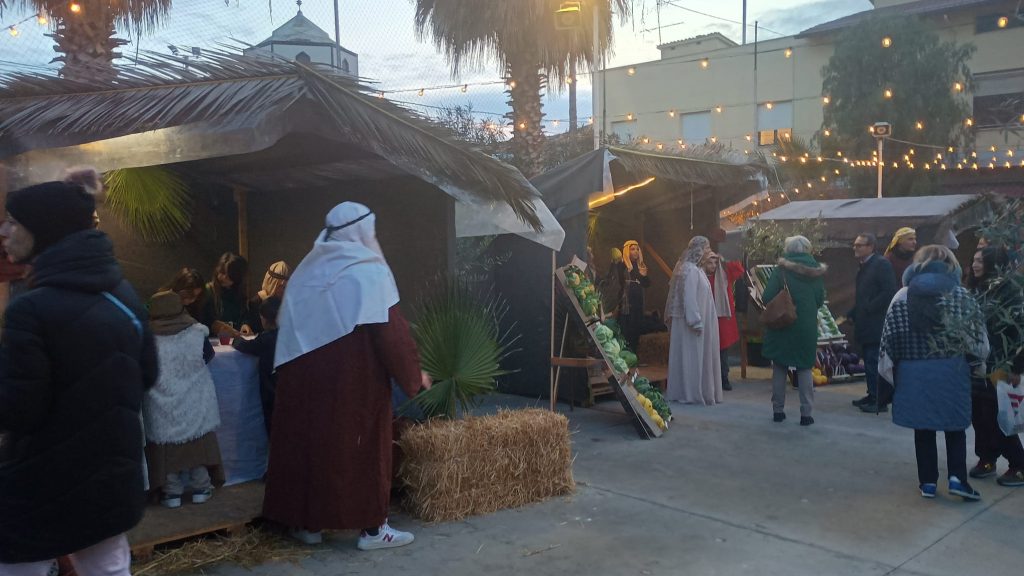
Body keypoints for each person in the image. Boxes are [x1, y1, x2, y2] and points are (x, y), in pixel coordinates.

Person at [0, 168, 157, 574]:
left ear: (43, 230)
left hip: (42, 480)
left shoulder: (29, 309)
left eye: (13, 221)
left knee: (18, 567)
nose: (3, 231)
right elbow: (148, 374)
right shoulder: (124, 294)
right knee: (107, 566)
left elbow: (20, 410)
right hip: (111, 472)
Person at [263, 202, 432, 548]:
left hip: (304, 386)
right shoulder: (369, 273)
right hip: (353, 386)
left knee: (311, 450)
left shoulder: (306, 273)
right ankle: (373, 530)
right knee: (359, 451)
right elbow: (392, 335)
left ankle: (308, 525)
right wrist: (414, 376)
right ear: (362, 232)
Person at [880, 245, 989, 500]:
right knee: (955, 426)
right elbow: (978, 340)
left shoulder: (902, 296)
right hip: (952, 370)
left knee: (923, 428)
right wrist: (979, 366)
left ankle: (928, 482)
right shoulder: (960, 295)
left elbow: (888, 340)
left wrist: (891, 376)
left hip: (913, 372)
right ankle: (957, 479)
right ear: (951, 264)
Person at [144, 290, 225, 509]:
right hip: (194, 397)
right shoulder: (197, 332)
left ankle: (171, 492)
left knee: (167, 447)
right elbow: (208, 355)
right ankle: (201, 487)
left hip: (161, 402)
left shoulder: (148, 337)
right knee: (197, 443)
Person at [965, 246, 1024, 486]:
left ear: (994, 264)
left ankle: (1019, 464)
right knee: (979, 415)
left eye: (981, 261)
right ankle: (986, 458)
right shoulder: (976, 290)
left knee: (997, 415)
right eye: (974, 260)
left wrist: (1017, 368)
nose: (975, 265)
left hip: (1000, 364)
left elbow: (1019, 333)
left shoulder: (1009, 293)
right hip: (977, 364)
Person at [762, 236, 827, 426]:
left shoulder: (781, 270)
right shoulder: (816, 272)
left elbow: (767, 296)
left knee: (780, 366)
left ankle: (778, 411)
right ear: (807, 249)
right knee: (805, 367)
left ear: (788, 249)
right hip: (806, 326)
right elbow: (820, 300)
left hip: (782, 324)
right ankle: (806, 414)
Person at [664, 236, 722, 405]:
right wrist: (695, 320)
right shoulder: (689, 270)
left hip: (697, 321)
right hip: (691, 325)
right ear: (698, 250)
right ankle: (690, 392)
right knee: (691, 357)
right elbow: (688, 298)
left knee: (694, 357)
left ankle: (698, 390)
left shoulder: (696, 269)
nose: (708, 252)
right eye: (706, 248)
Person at [849, 233, 898, 414]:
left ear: (870, 247)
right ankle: (872, 394)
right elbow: (865, 295)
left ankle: (879, 400)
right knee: (869, 361)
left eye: (859, 245)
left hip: (876, 323)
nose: (855, 248)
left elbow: (888, 291)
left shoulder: (881, 264)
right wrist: (854, 312)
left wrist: (869, 308)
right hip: (866, 321)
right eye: (855, 245)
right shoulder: (864, 265)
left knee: (874, 361)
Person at [233, 296, 282, 435]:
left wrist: (235, 338)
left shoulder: (266, 339)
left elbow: (245, 346)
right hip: (285, 387)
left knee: (272, 425)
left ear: (264, 319)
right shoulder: (288, 335)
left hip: (269, 390)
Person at [703, 251, 745, 391]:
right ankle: (710, 379)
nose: (713, 265)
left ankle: (724, 378)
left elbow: (739, 269)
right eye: (710, 262)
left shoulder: (723, 274)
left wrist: (724, 261)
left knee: (723, 350)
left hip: (722, 319)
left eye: (715, 263)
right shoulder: (701, 276)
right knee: (708, 350)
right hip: (707, 317)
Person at [614, 240, 651, 353]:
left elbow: (646, 284)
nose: (635, 251)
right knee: (626, 327)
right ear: (627, 251)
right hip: (626, 301)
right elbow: (619, 282)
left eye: (637, 249)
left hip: (638, 301)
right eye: (632, 249)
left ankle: (635, 353)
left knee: (637, 327)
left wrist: (643, 275)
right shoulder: (622, 265)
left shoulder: (640, 266)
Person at [201, 252, 250, 337]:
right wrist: (215, 326)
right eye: (222, 272)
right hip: (213, 340)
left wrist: (245, 325)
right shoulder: (208, 291)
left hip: (234, 339)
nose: (224, 278)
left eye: (229, 276)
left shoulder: (239, 293)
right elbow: (203, 320)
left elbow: (243, 316)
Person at [244, 261, 289, 335]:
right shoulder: (256, 302)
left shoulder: (290, 303)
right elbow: (253, 327)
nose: (283, 290)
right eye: (280, 286)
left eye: (285, 287)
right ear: (272, 284)